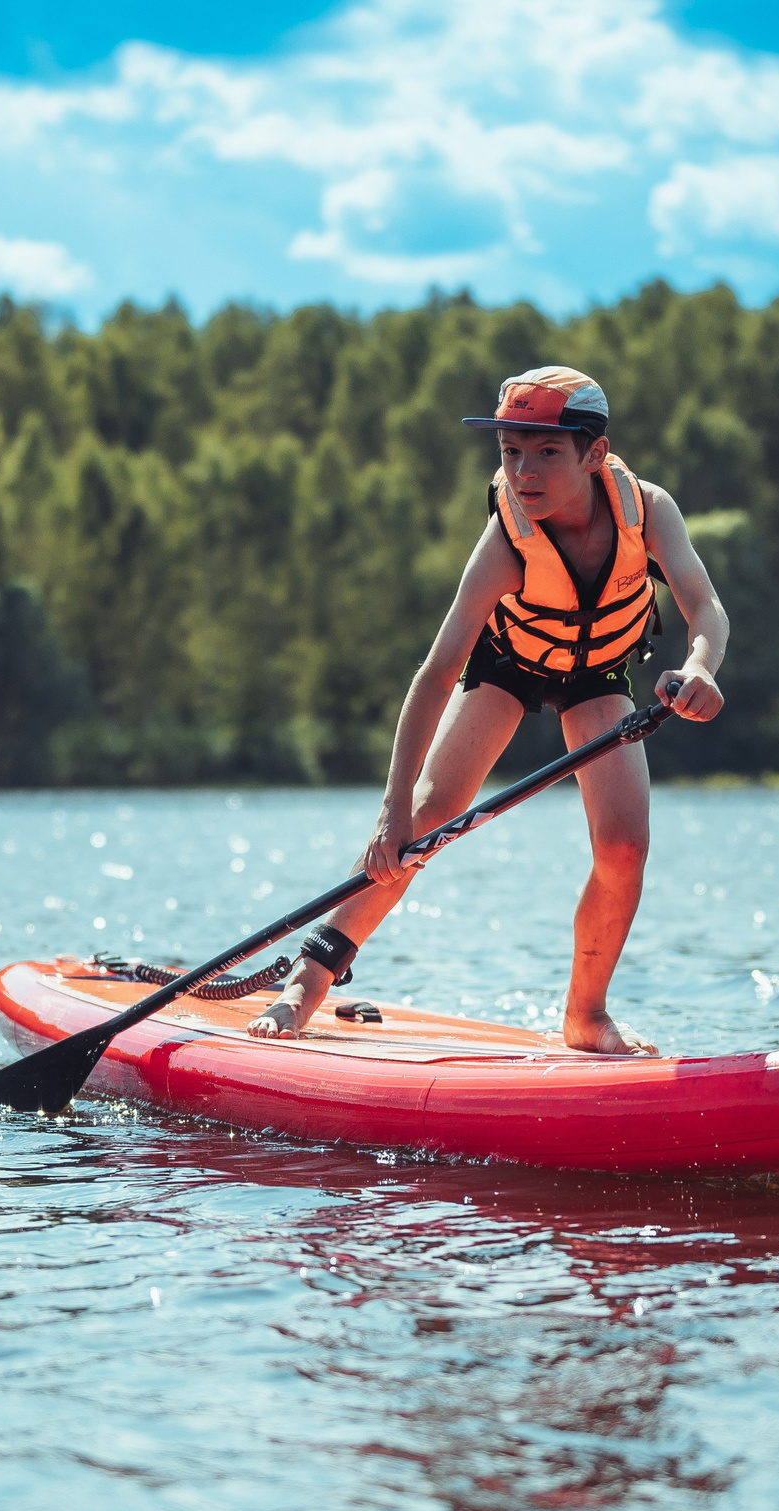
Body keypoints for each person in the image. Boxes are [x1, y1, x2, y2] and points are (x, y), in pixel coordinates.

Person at [247, 365, 728, 1054]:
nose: (524, 471)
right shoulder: (506, 542)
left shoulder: (648, 510)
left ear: (595, 454)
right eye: (510, 451)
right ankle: (307, 981)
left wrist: (700, 666)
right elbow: (435, 676)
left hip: (598, 674)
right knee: (426, 819)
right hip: (511, 667)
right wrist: (391, 813)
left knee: (624, 847)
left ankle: (586, 1016)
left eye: (547, 451)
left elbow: (705, 606)